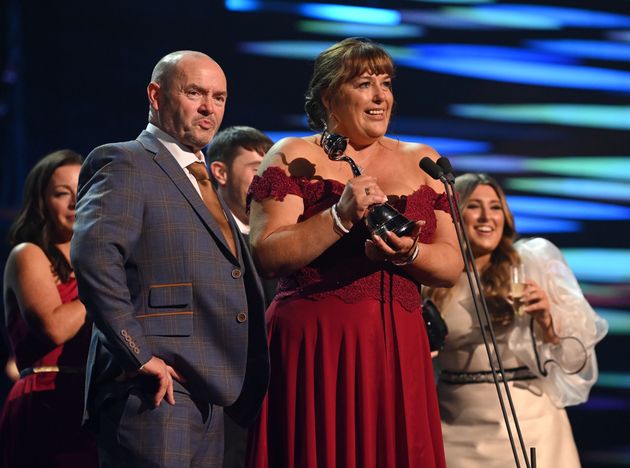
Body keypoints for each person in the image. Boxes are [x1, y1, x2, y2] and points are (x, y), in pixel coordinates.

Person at [246, 37, 463, 468]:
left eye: (386, 83)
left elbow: (452, 265)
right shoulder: (293, 155)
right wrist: (339, 218)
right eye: (364, 83)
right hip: (316, 345)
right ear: (329, 96)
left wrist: (408, 252)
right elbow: (267, 254)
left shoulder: (424, 161)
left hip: (398, 346)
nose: (381, 96)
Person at [70, 50, 270, 468]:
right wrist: (138, 355)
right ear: (156, 95)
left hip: (212, 393)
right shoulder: (125, 161)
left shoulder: (201, 178)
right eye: (194, 92)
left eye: (218, 97)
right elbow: (94, 261)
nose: (208, 107)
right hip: (152, 393)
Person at [426, 173, 608, 468]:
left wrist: (547, 321)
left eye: (495, 207)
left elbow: (577, 358)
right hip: (455, 425)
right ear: (454, 214)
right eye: (474, 205)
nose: (487, 216)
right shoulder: (432, 276)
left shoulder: (532, 263)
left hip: (530, 425)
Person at [0, 149, 98, 467]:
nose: (74, 203)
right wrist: (105, 287)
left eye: (82, 191)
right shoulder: (28, 254)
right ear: (42, 202)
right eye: (61, 194)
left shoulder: (99, 258)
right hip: (44, 402)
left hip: (93, 403)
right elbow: (55, 328)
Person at [205, 125, 274, 468]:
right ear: (220, 172)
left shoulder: (282, 237)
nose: (266, 178)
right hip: (222, 403)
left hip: (274, 401)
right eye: (255, 168)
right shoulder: (206, 235)